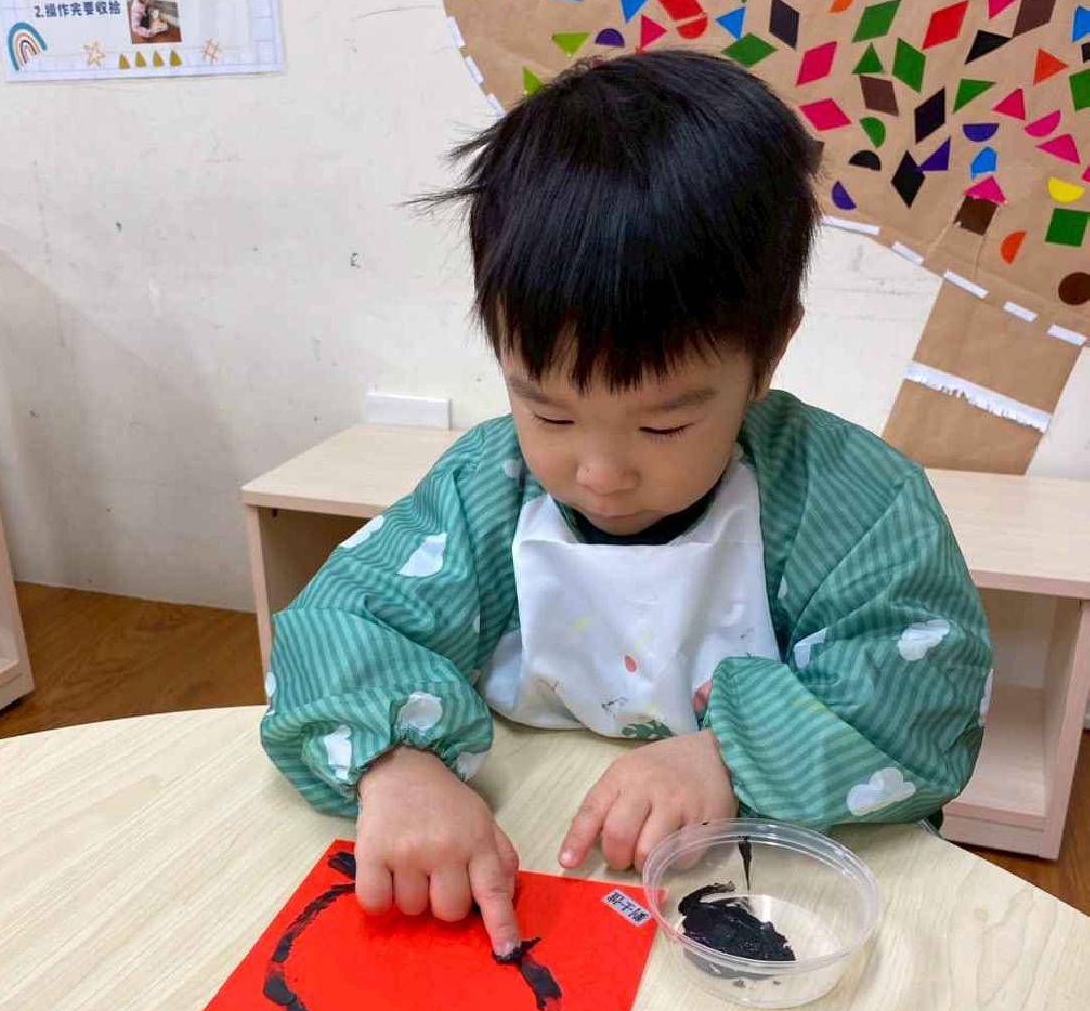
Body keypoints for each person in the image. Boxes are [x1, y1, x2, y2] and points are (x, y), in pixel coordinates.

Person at [260, 51, 992, 957]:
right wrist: (396, 766)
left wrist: (728, 756)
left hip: (773, 893)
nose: (598, 473)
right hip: (550, 870)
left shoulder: (854, 507)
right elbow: (338, 625)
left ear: (768, 356)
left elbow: (921, 703)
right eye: (549, 409)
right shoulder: (486, 492)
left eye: (663, 427)